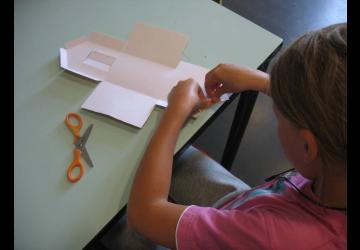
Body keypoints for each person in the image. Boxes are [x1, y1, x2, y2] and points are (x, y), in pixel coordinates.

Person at [123, 22, 347, 249]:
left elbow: (145, 215)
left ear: (309, 147)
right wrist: (263, 81)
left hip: (244, 226)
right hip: (252, 204)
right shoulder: (335, 158)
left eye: (279, 116)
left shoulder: (271, 236)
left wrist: (175, 112)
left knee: (119, 221)